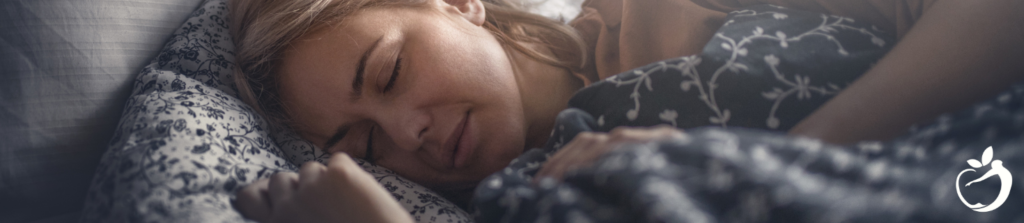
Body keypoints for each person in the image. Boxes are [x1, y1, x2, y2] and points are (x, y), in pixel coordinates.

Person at [227, 0, 1024, 222]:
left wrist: (778, 154)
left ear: (458, 3)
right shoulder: (525, 200)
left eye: (392, 71)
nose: (410, 135)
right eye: (365, 145)